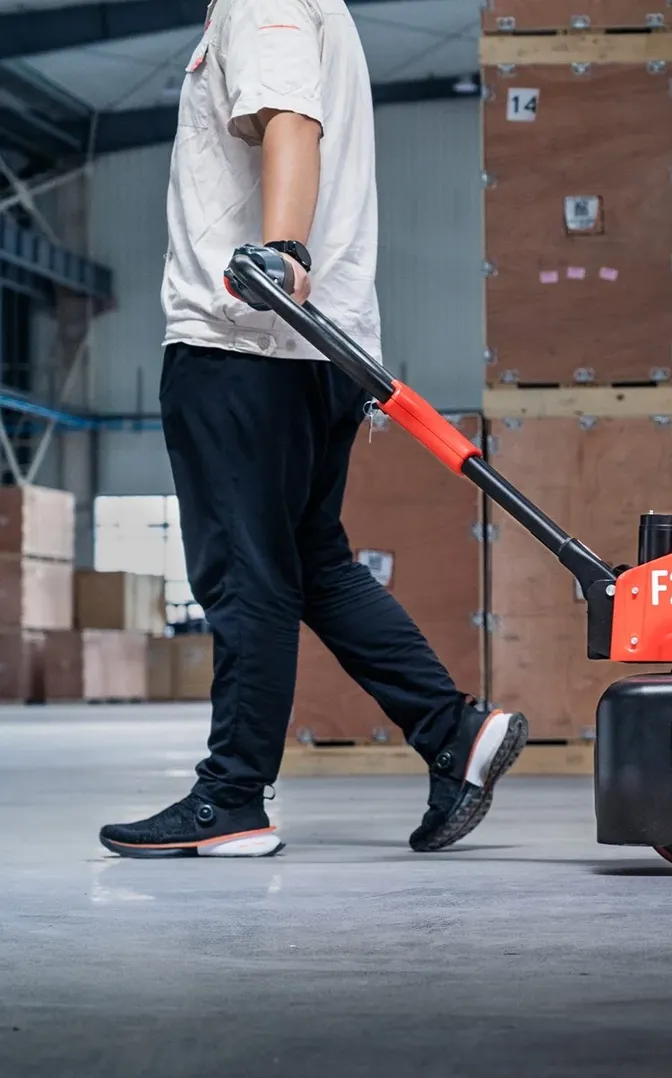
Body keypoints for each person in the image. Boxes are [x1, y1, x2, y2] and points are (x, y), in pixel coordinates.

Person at [98, 0, 529, 857]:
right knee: (313, 565)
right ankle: (451, 731)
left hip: (246, 340)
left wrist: (283, 252)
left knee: (245, 571)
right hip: (317, 349)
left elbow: (290, 118)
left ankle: (232, 797)